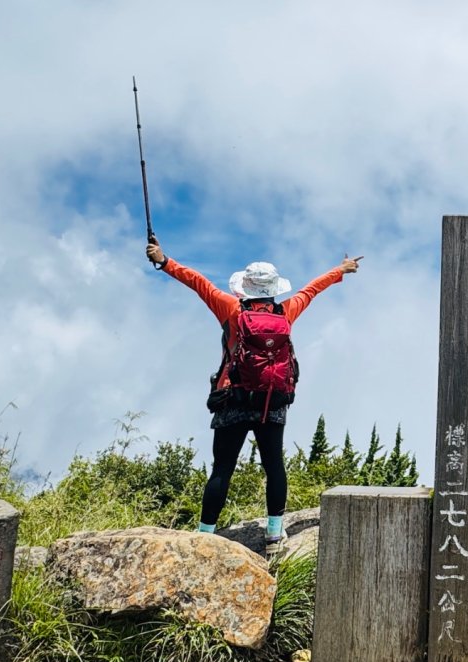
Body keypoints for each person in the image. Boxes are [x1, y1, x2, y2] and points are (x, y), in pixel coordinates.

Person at [146, 237, 362, 555]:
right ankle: (274, 534)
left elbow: (197, 282)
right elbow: (311, 290)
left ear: (245, 287)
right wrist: (340, 269)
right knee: (274, 465)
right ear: (274, 288)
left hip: (231, 398)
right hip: (270, 402)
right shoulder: (285, 311)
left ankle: (205, 534)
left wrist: (164, 261)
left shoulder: (231, 309)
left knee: (222, 468)